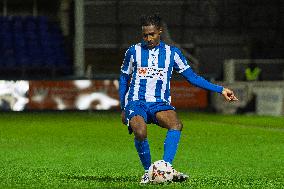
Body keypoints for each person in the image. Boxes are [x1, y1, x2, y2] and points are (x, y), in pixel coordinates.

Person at [119, 14, 238, 184]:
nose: (148, 38)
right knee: (140, 131)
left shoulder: (172, 53)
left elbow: (193, 78)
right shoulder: (133, 51)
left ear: (160, 32)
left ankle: (165, 168)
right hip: (136, 101)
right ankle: (148, 172)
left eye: (152, 34)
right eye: (145, 35)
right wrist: (124, 106)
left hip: (159, 103)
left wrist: (220, 89)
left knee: (176, 124)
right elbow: (123, 78)